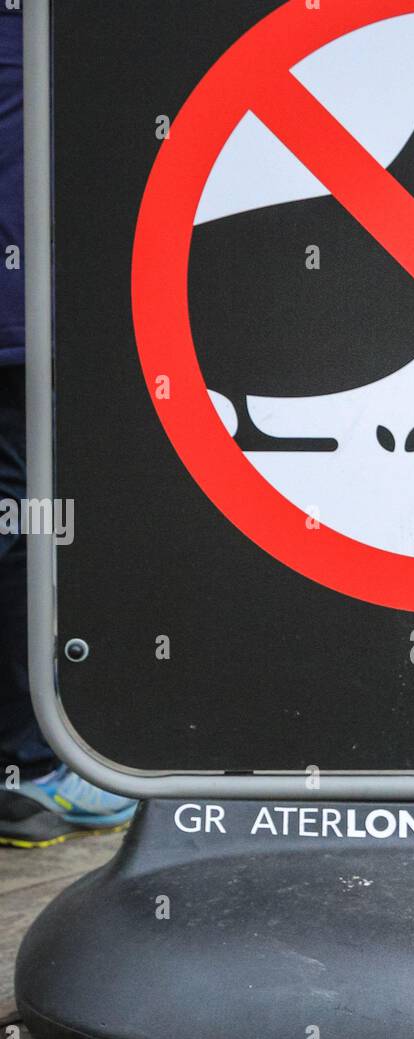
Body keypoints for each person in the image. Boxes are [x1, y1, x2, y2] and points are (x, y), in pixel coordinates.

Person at [0, 7, 135, 848]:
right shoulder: (49, 28)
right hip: (29, 317)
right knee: (30, 519)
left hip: (31, 314)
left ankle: (31, 760)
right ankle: (33, 764)